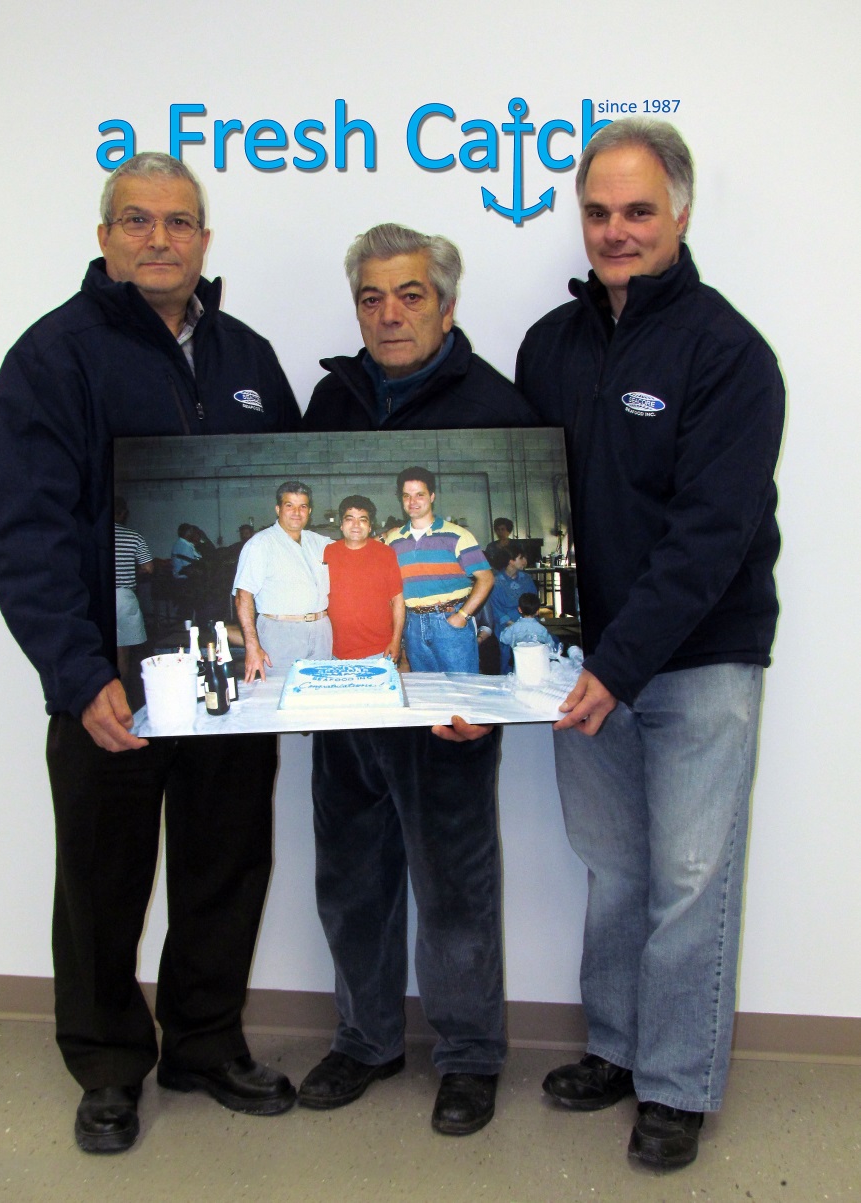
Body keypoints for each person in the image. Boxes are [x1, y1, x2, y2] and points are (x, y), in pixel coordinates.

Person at [0, 151, 301, 1155]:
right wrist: (76, 678)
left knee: (226, 862)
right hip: (109, 685)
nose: (158, 238)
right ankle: (110, 1064)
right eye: (137, 220)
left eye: (178, 222)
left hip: (228, 681)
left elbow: (280, 512)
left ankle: (204, 1043)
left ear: (204, 240)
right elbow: (21, 530)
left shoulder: (247, 359)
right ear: (105, 235)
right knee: (102, 880)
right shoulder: (53, 357)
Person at [515, 119, 784, 1170]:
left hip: (696, 658)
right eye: (597, 212)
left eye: (636, 211)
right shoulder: (549, 347)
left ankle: (676, 1084)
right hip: (584, 667)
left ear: (678, 213)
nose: (615, 231)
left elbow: (711, 536)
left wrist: (613, 667)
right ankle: (621, 1051)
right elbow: (526, 512)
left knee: (686, 877)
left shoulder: (727, 353)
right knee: (614, 871)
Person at [299, 223, 535, 1137]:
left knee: (454, 886)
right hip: (348, 684)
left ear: (445, 302)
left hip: (446, 702)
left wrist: (488, 701)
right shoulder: (328, 401)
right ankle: (365, 1039)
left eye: (409, 294)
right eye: (371, 297)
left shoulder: (498, 405)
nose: (389, 313)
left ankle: (469, 1055)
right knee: (351, 877)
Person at [385, 467, 493, 674]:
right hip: (413, 625)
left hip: (450, 622)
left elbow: (486, 578)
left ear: (432, 496)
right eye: (406, 496)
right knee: (428, 693)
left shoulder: (457, 535)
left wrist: (462, 616)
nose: (412, 502)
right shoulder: (394, 540)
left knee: (463, 690)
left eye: (419, 495)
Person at [232, 481, 332, 681]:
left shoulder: (319, 542)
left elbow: (354, 548)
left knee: (320, 693)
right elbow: (243, 596)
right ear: (278, 509)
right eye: (289, 505)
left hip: (321, 632)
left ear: (309, 511)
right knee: (278, 693)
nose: (297, 512)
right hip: (280, 634)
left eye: (302, 506)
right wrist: (252, 646)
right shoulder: (260, 544)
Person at [324, 495, 404, 662]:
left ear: (370, 527)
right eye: (349, 519)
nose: (355, 525)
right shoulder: (327, 553)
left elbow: (398, 600)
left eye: (362, 519)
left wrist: (396, 641)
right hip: (335, 651)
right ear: (341, 524)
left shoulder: (386, 554)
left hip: (379, 650)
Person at [113, 496, 154, 682]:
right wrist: (130, 569)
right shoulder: (133, 536)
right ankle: (121, 692)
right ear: (123, 514)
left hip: (93, 597)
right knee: (122, 651)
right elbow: (148, 568)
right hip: (123, 597)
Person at [485, 544, 541, 673]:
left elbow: (533, 600)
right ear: (511, 560)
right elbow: (495, 608)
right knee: (507, 652)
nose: (525, 562)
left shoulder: (526, 579)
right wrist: (512, 624)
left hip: (528, 619)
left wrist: (529, 620)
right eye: (521, 558)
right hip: (506, 624)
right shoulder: (496, 581)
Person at [497, 591, 556, 660]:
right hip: (538, 662)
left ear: (519, 610)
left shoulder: (514, 627)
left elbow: (503, 639)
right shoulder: (542, 629)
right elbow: (550, 646)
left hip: (519, 663)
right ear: (537, 612)